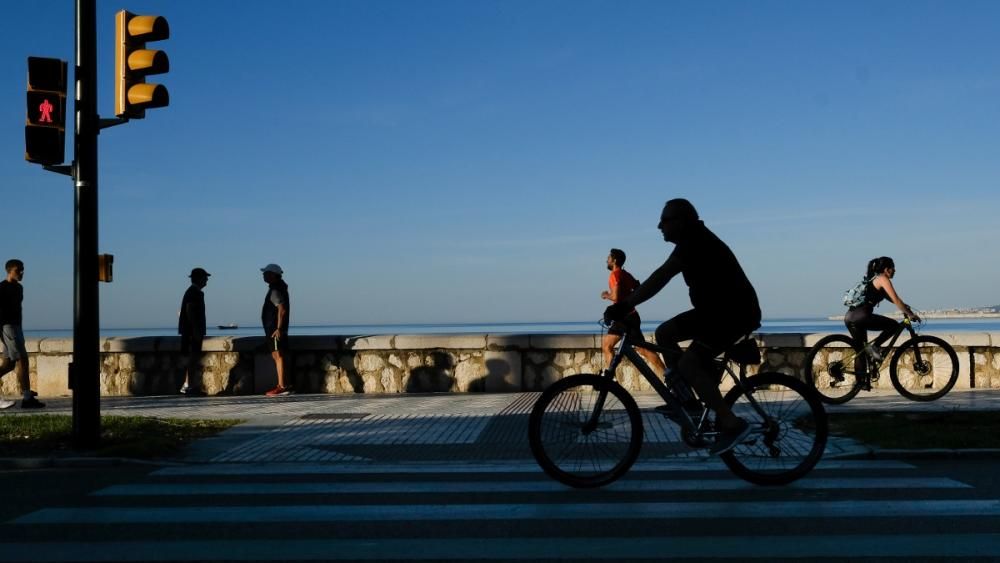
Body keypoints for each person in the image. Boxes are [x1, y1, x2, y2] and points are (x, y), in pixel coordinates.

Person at [605, 199, 760, 455]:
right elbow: (659, 276)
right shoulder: (691, 239)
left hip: (732, 314)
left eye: (664, 220)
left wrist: (625, 304)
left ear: (682, 221)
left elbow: (661, 276)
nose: (659, 226)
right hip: (712, 313)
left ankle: (732, 425)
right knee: (664, 332)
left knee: (689, 363)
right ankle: (688, 402)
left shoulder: (695, 241)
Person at [844, 257, 920, 373]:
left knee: (861, 351)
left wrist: (905, 307)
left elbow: (893, 300)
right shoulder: (883, 279)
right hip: (862, 316)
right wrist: (910, 314)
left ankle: (861, 382)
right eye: (893, 268)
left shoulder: (873, 280)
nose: (895, 270)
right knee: (893, 325)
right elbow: (896, 299)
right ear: (886, 269)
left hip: (850, 316)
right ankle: (875, 347)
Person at [600, 248, 666, 376]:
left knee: (607, 346)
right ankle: (667, 375)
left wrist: (606, 294)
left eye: (608, 258)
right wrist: (628, 294)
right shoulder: (626, 274)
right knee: (643, 349)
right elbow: (637, 286)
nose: (606, 260)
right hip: (632, 316)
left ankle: (610, 380)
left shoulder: (615, 275)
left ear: (614, 260)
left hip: (624, 317)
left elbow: (616, 297)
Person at [0, 259, 45, 409]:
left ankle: (27, 396)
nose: (21, 273)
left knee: (8, 365)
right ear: (9, 271)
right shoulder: (2, 287)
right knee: (22, 360)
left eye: (22, 269)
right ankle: (27, 398)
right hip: (7, 328)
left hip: (17, 327)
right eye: (18, 270)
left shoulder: (19, 288)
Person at [261, 263, 292, 396]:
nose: (263, 275)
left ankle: (282, 386)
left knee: (278, 356)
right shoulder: (279, 288)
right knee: (277, 355)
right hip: (274, 328)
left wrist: (278, 328)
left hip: (274, 329)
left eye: (266, 273)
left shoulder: (275, 290)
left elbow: (281, 309)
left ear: (273, 275)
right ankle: (285, 383)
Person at [178, 267, 210, 396]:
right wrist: (196, 332)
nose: (207, 280)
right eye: (205, 278)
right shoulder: (194, 293)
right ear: (198, 279)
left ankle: (187, 385)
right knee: (193, 359)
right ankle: (190, 387)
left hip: (190, 332)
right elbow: (191, 313)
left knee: (192, 359)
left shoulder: (192, 292)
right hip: (192, 333)